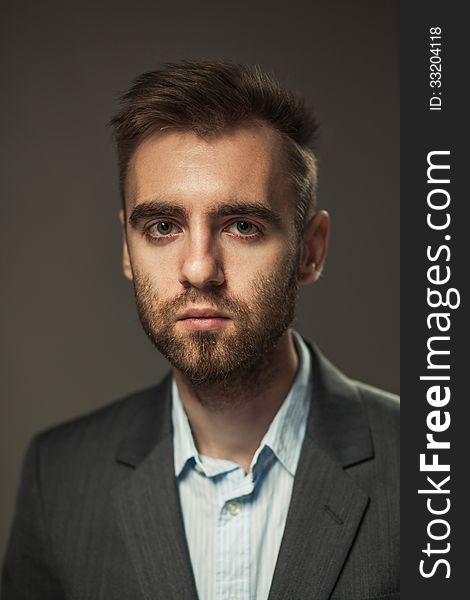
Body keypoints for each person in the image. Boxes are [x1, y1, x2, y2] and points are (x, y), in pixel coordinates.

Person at [2, 61, 399, 600]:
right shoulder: (61, 477)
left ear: (311, 249)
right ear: (127, 247)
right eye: (163, 227)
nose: (198, 268)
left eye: (242, 226)